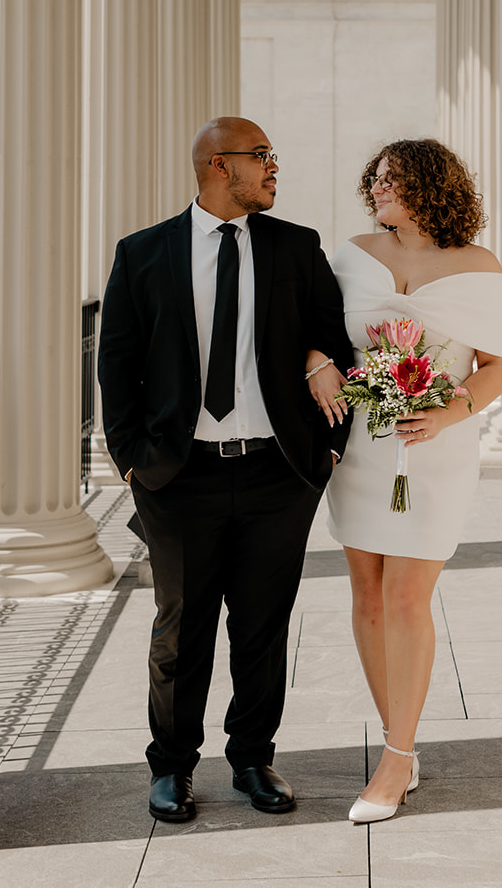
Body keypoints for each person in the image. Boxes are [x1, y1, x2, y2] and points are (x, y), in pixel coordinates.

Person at [97, 117, 353, 825]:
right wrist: (130, 462)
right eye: (261, 156)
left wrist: (324, 447)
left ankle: (251, 758)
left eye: (273, 155)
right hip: (178, 477)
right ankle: (172, 768)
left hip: (278, 473)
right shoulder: (143, 253)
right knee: (182, 627)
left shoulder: (296, 248)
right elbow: (114, 362)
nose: (275, 168)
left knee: (263, 626)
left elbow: (333, 339)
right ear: (218, 165)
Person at [309, 138, 502, 824]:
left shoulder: (479, 266)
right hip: (363, 446)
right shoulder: (353, 253)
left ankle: (395, 760)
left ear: (429, 185)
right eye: (374, 180)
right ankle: (402, 735)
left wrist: (445, 412)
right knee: (366, 595)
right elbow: (313, 327)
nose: (377, 190)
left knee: (405, 598)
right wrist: (318, 361)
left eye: (391, 180)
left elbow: (496, 367)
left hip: (436, 446)